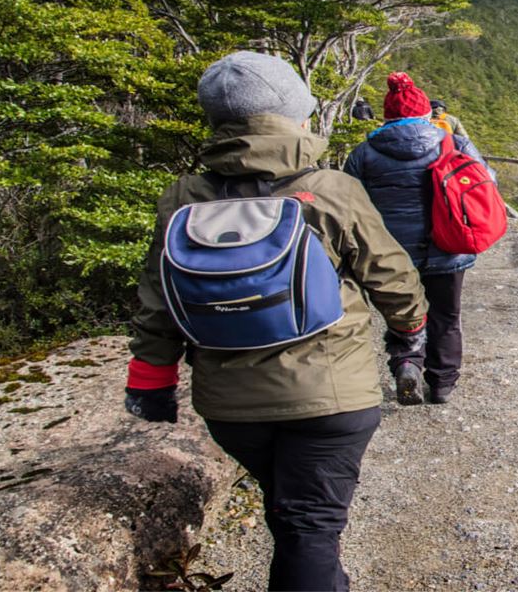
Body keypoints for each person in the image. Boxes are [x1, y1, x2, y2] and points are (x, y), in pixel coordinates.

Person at [123, 51, 428, 592]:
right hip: (331, 395)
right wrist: (410, 334)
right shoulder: (330, 190)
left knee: (293, 513)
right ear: (292, 117)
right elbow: (392, 277)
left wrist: (151, 382)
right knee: (309, 524)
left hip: (230, 406)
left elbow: (157, 299)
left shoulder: (184, 198)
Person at [344, 71, 491, 405]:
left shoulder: (364, 152)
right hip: (448, 246)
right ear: (426, 113)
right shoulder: (452, 143)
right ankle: (442, 384)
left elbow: (348, 202)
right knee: (447, 317)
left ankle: (407, 363)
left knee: (403, 312)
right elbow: (485, 180)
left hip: (390, 252)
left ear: (387, 116)